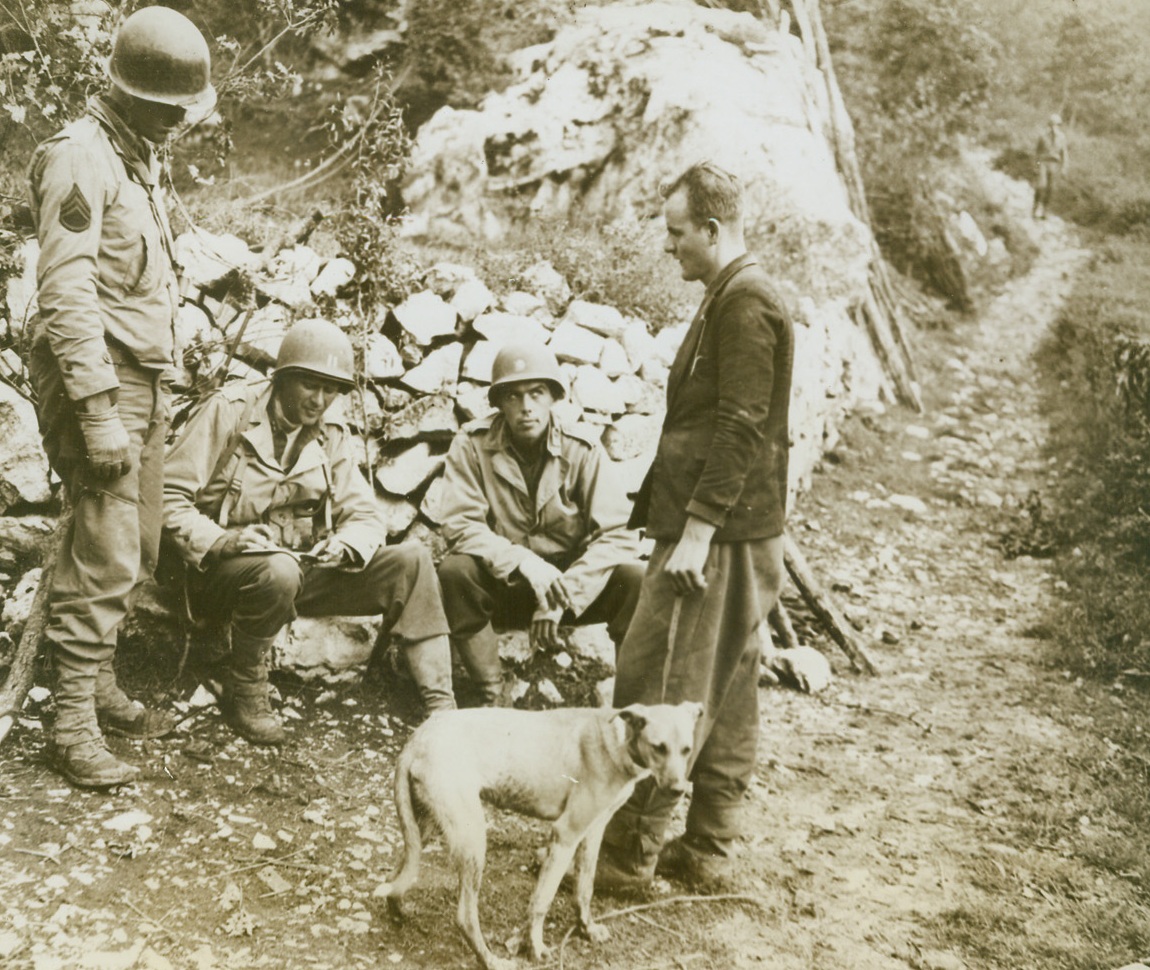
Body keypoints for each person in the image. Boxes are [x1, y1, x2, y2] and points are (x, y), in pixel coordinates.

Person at [26, 7, 216, 788]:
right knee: (103, 551)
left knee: (134, 541)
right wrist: (98, 409)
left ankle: (97, 684)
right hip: (98, 381)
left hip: (142, 376)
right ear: (133, 94)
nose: (180, 121)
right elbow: (66, 290)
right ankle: (69, 722)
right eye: (170, 106)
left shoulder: (136, 153)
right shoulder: (80, 158)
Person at [596, 161, 794, 889]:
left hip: (718, 536)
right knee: (728, 682)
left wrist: (700, 530)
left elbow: (742, 427)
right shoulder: (727, 296)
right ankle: (709, 848)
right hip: (726, 529)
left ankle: (628, 851)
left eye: (677, 233)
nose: (669, 245)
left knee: (662, 676)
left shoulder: (746, 304)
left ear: (713, 230)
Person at [162, 319, 457, 743]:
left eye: (331, 389)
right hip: (220, 573)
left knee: (411, 561)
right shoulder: (231, 411)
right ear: (283, 377)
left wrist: (346, 546)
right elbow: (166, 499)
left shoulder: (330, 432)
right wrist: (225, 540)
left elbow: (365, 516)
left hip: (298, 569)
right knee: (277, 572)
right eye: (309, 385)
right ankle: (245, 689)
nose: (320, 400)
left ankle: (442, 711)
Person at [436, 341, 645, 705]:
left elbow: (617, 533)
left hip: (569, 588)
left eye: (537, 393)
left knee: (636, 578)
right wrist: (524, 563)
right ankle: (492, 696)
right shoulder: (472, 444)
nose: (526, 407)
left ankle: (630, 708)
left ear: (553, 398)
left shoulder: (582, 449)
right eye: (513, 396)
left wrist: (563, 597)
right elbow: (461, 525)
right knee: (455, 572)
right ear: (499, 403)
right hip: (507, 580)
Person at [1033, 113, 1068, 220]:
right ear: (1049, 125)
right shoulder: (1043, 136)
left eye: (1057, 125)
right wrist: (1036, 166)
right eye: (1052, 124)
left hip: (1054, 164)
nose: (1054, 127)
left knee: (1051, 189)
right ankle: (1035, 207)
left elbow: (1064, 153)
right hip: (1043, 162)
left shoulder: (1062, 137)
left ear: (1059, 125)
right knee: (1041, 186)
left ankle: (1045, 211)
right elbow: (1037, 152)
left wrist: (1064, 168)